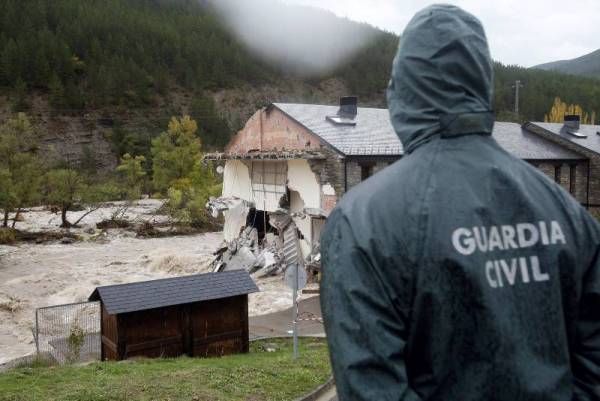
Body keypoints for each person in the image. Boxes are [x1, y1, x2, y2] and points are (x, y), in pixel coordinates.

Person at [320, 4, 600, 401]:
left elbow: (372, 388)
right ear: (481, 82)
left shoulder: (360, 223)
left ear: (402, 89)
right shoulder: (568, 212)